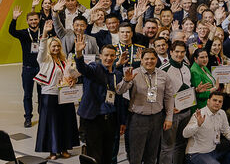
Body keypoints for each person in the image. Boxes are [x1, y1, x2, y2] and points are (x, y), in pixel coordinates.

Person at [117, 48, 175, 164]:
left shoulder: (164, 75)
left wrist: (169, 118)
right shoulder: (133, 73)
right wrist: (126, 81)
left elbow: (169, 98)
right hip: (138, 119)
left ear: (156, 60)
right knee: (136, 156)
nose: (149, 61)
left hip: (157, 118)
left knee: (152, 155)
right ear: (141, 60)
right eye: (146, 59)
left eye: (152, 58)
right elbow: (119, 91)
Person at [74, 36, 126, 164]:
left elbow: (119, 99)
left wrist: (122, 121)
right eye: (106, 55)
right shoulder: (94, 68)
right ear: (101, 56)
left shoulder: (117, 74)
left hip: (111, 119)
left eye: (112, 55)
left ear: (115, 57)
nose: (109, 58)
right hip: (94, 118)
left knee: (109, 152)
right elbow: (82, 68)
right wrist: (79, 53)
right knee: (94, 153)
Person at [33, 21, 78, 160]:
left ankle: (64, 149)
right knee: (51, 123)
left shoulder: (64, 61)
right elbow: (41, 49)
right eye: (53, 46)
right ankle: (53, 151)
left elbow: (72, 75)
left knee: (65, 122)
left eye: (58, 46)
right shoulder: (44, 59)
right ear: (49, 47)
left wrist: (74, 80)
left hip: (64, 95)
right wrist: (45, 33)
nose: (56, 48)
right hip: (50, 94)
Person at [183, 90, 230, 164]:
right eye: (214, 100)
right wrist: (197, 125)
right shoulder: (199, 114)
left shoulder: (222, 113)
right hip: (196, 153)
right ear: (208, 101)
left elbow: (226, 131)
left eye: (220, 101)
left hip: (213, 150)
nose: (217, 103)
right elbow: (185, 134)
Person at [161, 41, 194, 164]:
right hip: (172, 114)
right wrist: (168, 111)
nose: (179, 55)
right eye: (177, 52)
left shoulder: (187, 66)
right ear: (171, 52)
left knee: (181, 144)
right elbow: (160, 94)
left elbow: (188, 87)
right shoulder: (163, 69)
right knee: (167, 146)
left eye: (182, 52)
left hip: (186, 111)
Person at [9, 6, 42, 127]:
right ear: (27, 21)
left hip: (42, 68)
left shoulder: (44, 32)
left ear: (39, 20)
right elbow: (12, 31)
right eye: (31, 20)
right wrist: (14, 19)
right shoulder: (23, 33)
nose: (33, 22)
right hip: (28, 68)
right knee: (28, 94)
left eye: (35, 19)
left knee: (42, 94)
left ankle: (42, 115)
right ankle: (28, 118)